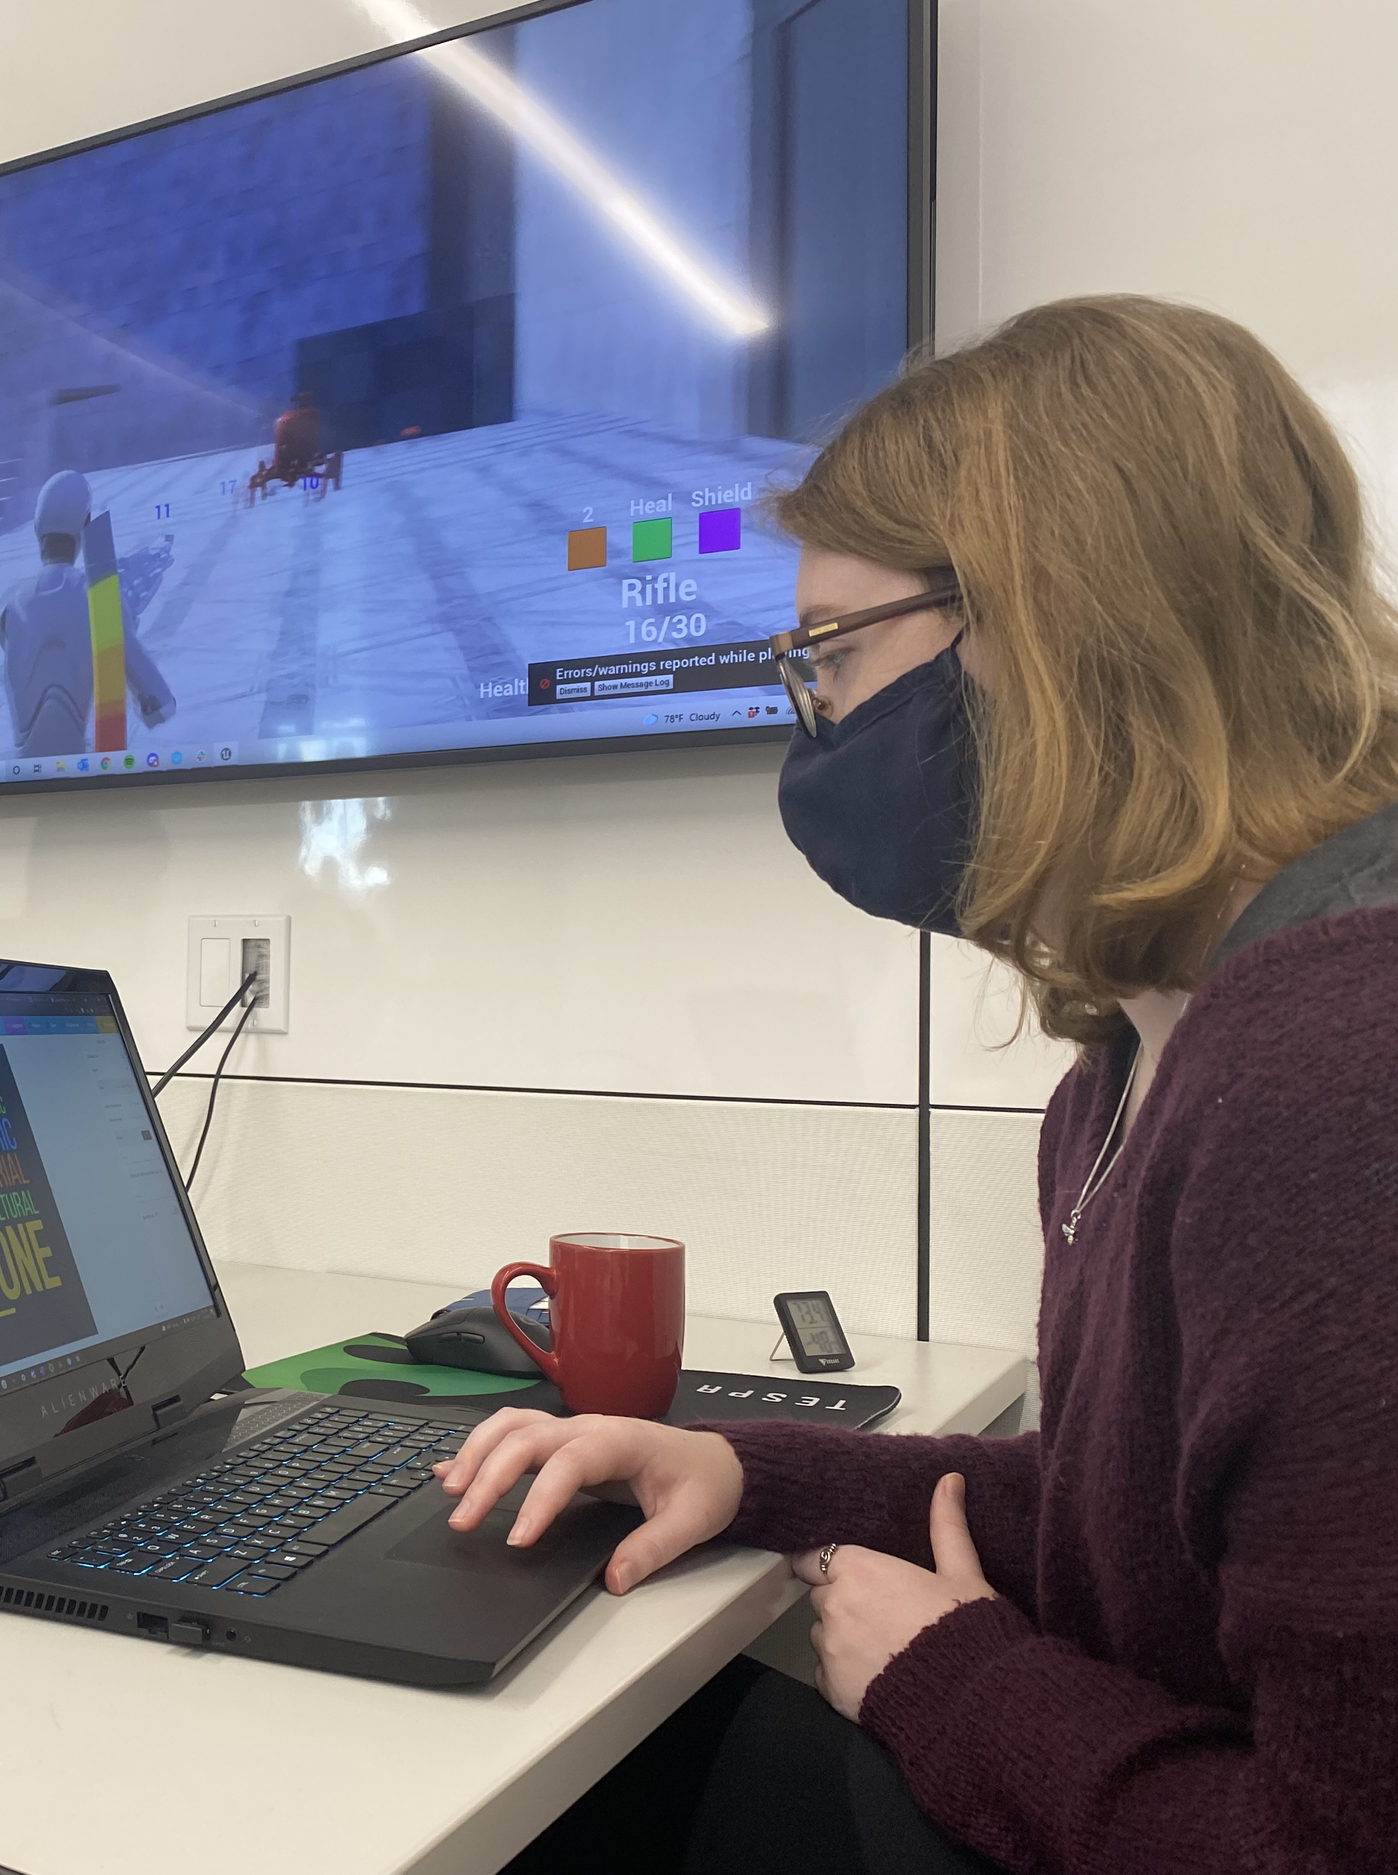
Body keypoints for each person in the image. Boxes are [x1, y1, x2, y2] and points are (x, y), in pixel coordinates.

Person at [446, 298, 1398, 1875]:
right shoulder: (1131, 1060)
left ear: (1056, 620)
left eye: (831, 652)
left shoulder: (1337, 1076)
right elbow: (1143, 1527)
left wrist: (953, 1680)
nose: (816, 718)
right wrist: (749, 1467)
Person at [0, 468, 175, 757]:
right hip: (79, 769)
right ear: (86, 525)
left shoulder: (13, 605)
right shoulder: (98, 598)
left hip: (23, 772)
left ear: (37, 529)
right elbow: (161, 706)